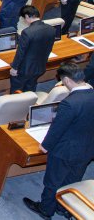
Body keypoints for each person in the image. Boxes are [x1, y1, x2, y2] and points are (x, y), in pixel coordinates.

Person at [23, 63, 94, 218]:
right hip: (88, 148)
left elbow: (58, 128)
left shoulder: (70, 103)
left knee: (52, 180)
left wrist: (45, 145)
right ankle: (63, 207)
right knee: (73, 178)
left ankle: (45, 209)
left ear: (67, 81)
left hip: (65, 150)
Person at [10, 6, 55, 93]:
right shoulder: (51, 29)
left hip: (24, 69)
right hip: (40, 67)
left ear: (27, 16)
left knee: (16, 91)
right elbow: (49, 48)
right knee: (30, 89)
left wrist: (15, 67)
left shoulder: (27, 32)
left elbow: (21, 52)